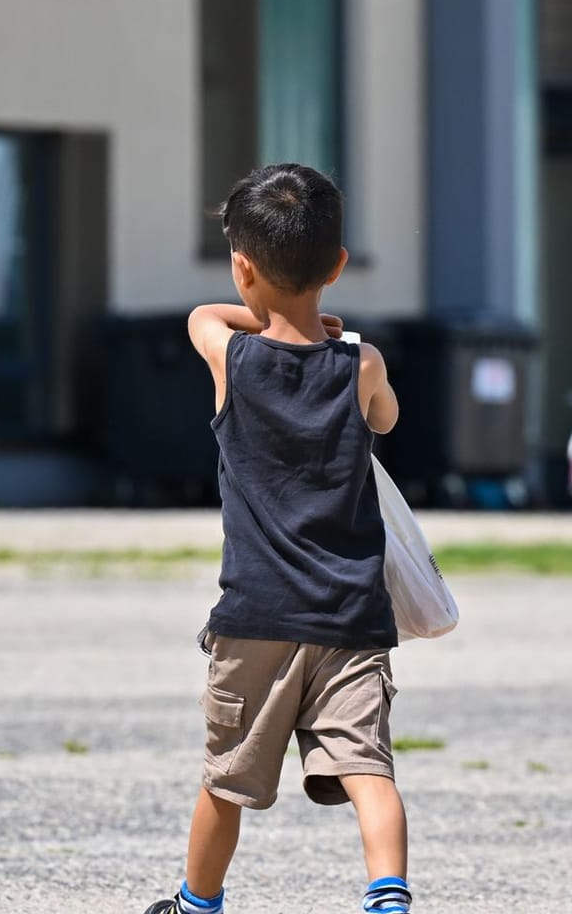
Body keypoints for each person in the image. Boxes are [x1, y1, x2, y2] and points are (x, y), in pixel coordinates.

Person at [148, 165, 411, 914]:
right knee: (369, 772)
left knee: (226, 778)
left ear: (243, 266)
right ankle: (387, 898)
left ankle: (197, 903)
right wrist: (337, 346)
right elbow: (387, 421)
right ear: (337, 265)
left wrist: (266, 323)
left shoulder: (233, 356)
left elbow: (205, 314)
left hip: (255, 613)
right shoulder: (361, 364)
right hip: (350, 617)